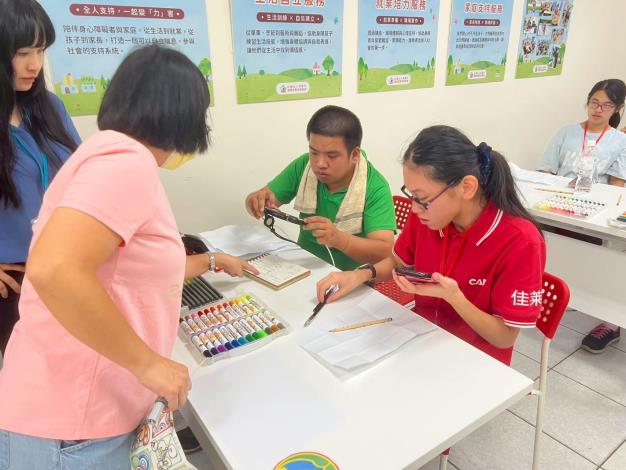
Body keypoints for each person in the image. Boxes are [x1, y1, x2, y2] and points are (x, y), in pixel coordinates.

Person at [0, 44, 256, 468]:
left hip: (72, 411)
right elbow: (55, 268)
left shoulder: (105, 153)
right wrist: (149, 365)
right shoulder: (126, 161)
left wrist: (212, 261)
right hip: (73, 422)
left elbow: (127, 273)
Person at [316, 125, 546, 365]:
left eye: (423, 198)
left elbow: (504, 337)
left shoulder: (520, 240)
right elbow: (398, 263)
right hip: (421, 339)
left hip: (476, 361)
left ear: (466, 187)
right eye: (411, 195)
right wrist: (360, 275)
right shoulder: (428, 216)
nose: (414, 208)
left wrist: (454, 297)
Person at [0, 0, 80, 356]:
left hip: (68, 267)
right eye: (22, 53)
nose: (35, 64)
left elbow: (82, 176)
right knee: (33, 375)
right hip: (14, 283)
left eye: (41, 50)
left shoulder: (49, 107)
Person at [245, 105, 396, 271]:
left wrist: (340, 240)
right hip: (303, 268)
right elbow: (266, 197)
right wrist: (254, 201)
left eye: (332, 156)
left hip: (352, 278)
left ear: (354, 155)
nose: (320, 163)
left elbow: (384, 252)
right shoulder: (305, 166)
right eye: (314, 152)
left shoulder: (375, 187)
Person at [537, 79, 625, 353]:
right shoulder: (567, 132)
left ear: (617, 108)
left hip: (595, 213)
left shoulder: (620, 141)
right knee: (547, 245)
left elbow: (617, 187)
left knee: (605, 261)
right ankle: (554, 296)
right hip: (558, 207)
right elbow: (546, 171)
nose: (598, 110)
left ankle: (610, 322)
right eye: (594, 103)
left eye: (606, 105)